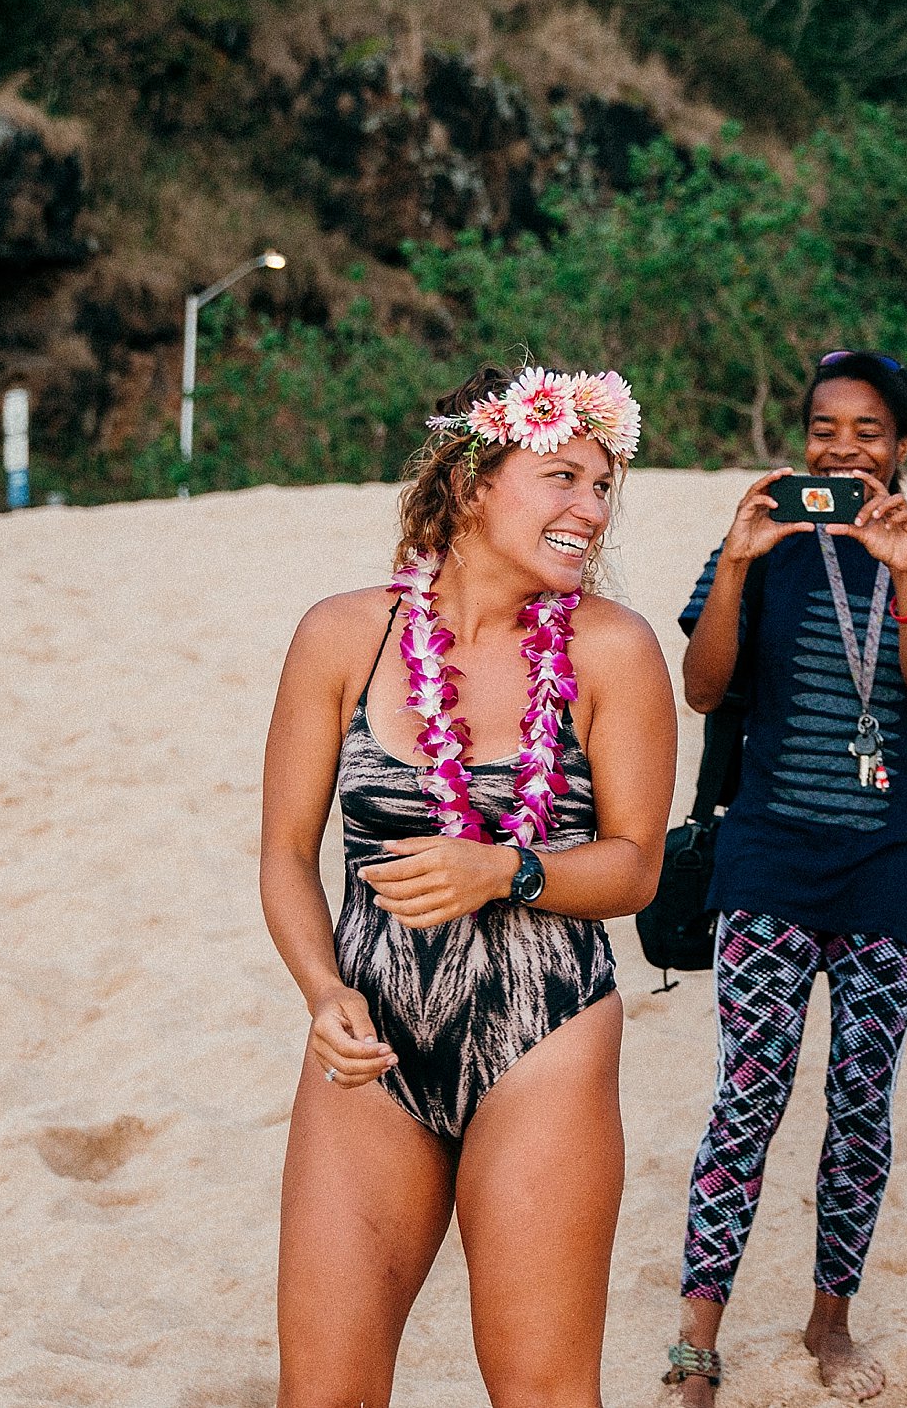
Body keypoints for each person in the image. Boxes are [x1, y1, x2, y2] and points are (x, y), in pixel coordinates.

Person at [258, 363, 677, 1405]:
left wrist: (509, 867)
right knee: (323, 1392)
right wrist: (323, 991)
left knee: (538, 1389)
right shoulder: (343, 635)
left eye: (602, 485)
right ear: (472, 482)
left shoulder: (612, 650)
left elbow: (636, 864)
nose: (591, 508)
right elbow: (282, 854)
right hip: (372, 1041)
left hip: (547, 1030)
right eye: (562, 477)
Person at [665, 350, 907, 1406]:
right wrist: (739, 556)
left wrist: (899, 577)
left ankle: (829, 1319)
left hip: (885, 871)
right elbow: (706, 686)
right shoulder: (759, 552)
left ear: (903, 447)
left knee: (859, 1105)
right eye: (823, 427)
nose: (841, 446)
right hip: (765, 861)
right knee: (745, 1098)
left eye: (867, 430)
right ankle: (695, 1338)